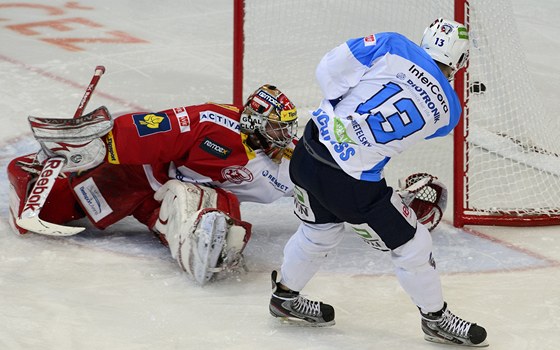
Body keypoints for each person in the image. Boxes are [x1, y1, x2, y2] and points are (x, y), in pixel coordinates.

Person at [268, 18, 489, 347]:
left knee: (319, 231)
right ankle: (435, 319)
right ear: (458, 63)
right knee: (413, 246)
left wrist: (339, 113)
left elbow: (328, 70)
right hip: (351, 184)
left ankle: (284, 296)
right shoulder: (451, 112)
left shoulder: (391, 43)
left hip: (308, 151)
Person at [7, 84, 299, 285]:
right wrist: (97, 144)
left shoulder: (291, 159)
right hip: (137, 175)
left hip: (186, 192)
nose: (284, 134)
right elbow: (158, 128)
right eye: (277, 127)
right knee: (53, 205)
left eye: (287, 126)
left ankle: (203, 234)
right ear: (252, 121)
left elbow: (326, 183)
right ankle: (37, 174)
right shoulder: (212, 122)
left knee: (209, 206)